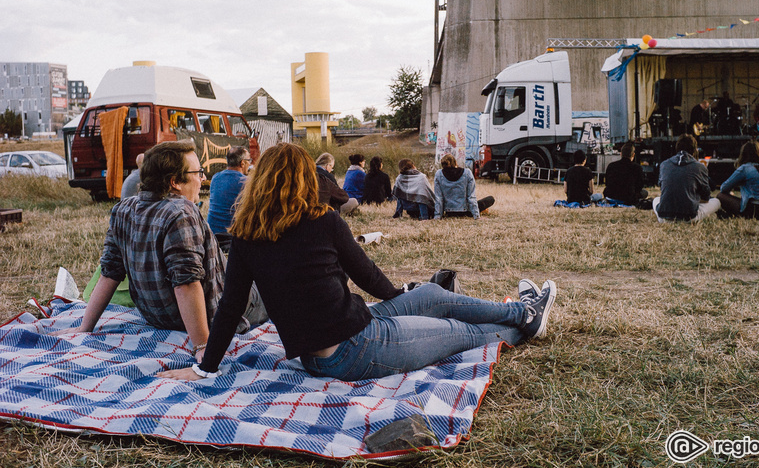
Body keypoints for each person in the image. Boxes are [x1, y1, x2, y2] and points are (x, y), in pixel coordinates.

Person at [156, 143, 558, 383]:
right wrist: (205, 369)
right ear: (303, 179)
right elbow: (365, 274)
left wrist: (404, 301)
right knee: (457, 333)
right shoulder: (322, 219)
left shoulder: (247, 234)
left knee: (433, 294)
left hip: (329, 343)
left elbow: (230, 307)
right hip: (354, 350)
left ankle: (521, 311)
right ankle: (523, 326)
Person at [54, 140, 267, 361]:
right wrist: (203, 347)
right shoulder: (181, 212)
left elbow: (110, 272)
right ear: (175, 182)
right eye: (198, 172)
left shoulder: (123, 210)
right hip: (221, 309)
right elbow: (186, 283)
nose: (203, 178)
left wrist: (84, 327)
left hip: (158, 318)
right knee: (269, 282)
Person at [653, 134, 721, 223]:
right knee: (716, 201)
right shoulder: (700, 167)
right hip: (688, 217)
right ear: (694, 150)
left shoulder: (664, 164)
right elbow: (706, 198)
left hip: (664, 217)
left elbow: (662, 187)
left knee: (656, 200)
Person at [717, 141, 759, 219]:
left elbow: (724, 188)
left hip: (758, 210)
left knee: (721, 196)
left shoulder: (745, 168)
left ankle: (731, 215)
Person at [206, 146, 251, 235]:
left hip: (212, 233)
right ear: (242, 163)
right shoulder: (246, 182)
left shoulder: (215, 178)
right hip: (230, 235)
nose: (250, 164)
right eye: (249, 160)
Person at [433, 153, 494, 219]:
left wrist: (438, 216)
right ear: (455, 162)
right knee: (490, 199)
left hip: (449, 212)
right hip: (466, 211)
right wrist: (476, 216)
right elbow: (471, 197)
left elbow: (439, 198)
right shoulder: (467, 173)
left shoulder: (439, 174)